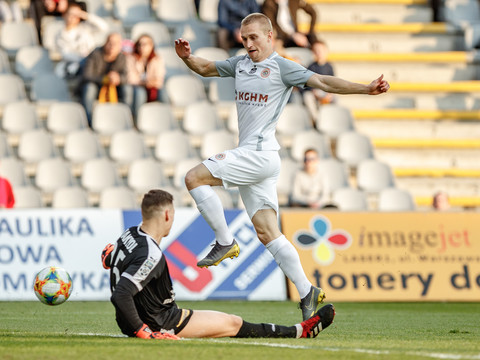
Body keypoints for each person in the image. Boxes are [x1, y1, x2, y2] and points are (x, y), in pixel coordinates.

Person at [174, 12, 389, 321]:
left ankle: (225, 241)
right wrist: (187, 57)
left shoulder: (283, 68)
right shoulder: (240, 64)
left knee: (194, 177)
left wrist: (365, 89)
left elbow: (324, 81)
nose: (248, 44)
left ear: (270, 37)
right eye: (244, 39)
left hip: (259, 155)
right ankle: (307, 291)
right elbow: (207, 68)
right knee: (267, 232)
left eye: (253, 38)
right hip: (259, 159)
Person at [101, 189, 335, 339]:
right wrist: (145, 333)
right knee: (233, 324)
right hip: (161, 323)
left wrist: (110, 259)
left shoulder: (129, 234)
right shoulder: (151, 254)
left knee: (230, 322)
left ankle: (299, 330)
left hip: (140, 319)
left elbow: (114, 258)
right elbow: (121, 293)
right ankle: (300, 332)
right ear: (166, 216)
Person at [79, 32, 133, 124]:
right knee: (89, 88)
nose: (112, 46)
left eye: (115, 43)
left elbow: (126, 77)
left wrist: (118, 78)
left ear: (119, 46)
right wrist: (105, 79)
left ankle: (126, 120)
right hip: (97, 86)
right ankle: (88, 121)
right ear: (105, 43)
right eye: (110, 42)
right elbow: (86, 75)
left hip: (114, 88)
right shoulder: (95, 54)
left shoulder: (122, 57)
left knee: (128, 89)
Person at [54, 2, 109, 79]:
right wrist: (84, 59)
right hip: (75, 66)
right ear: (64, 15)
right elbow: (65, 54)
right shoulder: (60, 35)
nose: (73, 17)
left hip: (92, 63)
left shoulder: (86, 28)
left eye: (76, 15)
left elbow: (104, 27)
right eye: (71, 14)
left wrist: (85, 15)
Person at [127, 34, 166, 115]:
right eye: (139, 44)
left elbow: (159, 80)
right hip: (137, 87)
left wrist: (148, 82)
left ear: (151, 46)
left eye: (145, 44)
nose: (141, 47)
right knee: (139, 93)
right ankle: (137, 119)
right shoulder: (131, 58)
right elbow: (131, 78)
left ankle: (166, 117)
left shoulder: (157, 59)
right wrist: (146, 82)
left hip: (152, 86)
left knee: (163, 93)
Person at [303, 39, 336, 122]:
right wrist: (314, 92)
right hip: (315, 91)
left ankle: (333, 119)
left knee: (336, 98)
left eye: (321, 50)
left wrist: (330, 93)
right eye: (316, 51)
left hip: (326, 91)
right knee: (307, 97)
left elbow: (334, 82)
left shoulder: (329, 67)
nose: (319, 53)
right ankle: (317, 119)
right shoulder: (311, 66)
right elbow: (308, 83)